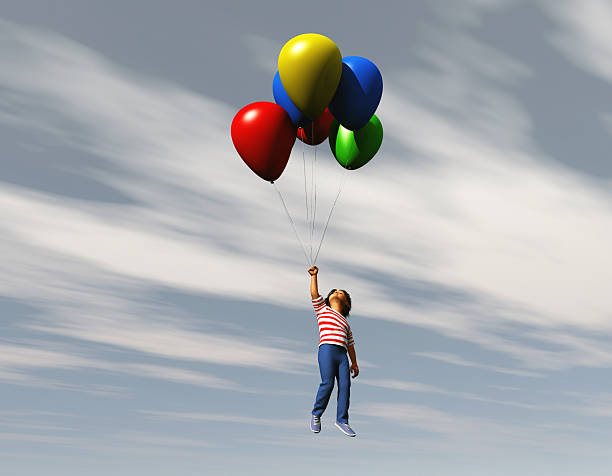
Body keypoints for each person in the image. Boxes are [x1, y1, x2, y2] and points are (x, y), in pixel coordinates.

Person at [308, 265, 359, 437]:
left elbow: (351, 344)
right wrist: (314, 276)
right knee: (327, 383)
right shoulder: (323, 311)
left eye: (341, 293)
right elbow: (314, 295)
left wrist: (355, 363)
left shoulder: (346, 324)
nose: (337, 292)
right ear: (328, 299)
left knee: (345, 385)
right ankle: (316, 414)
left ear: (346, 304)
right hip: (327, 350)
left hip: (342, 355)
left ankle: (342, 420)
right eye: (334, 292)